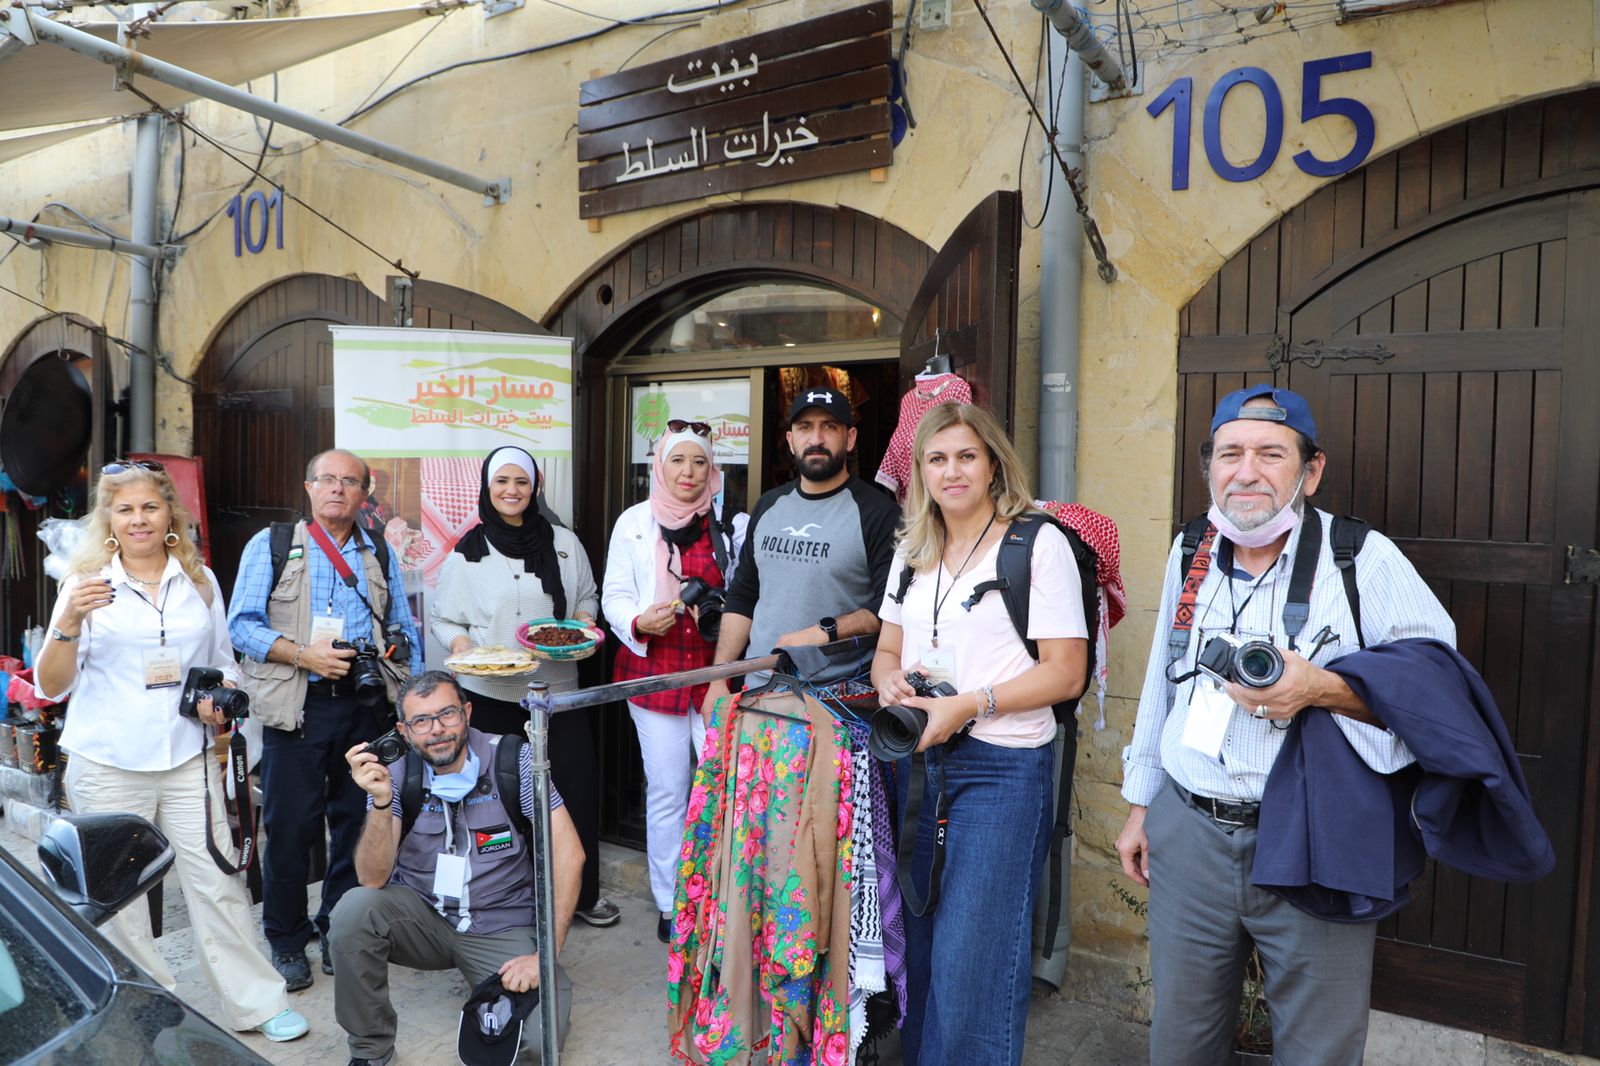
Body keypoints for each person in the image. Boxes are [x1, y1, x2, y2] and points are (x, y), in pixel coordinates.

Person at [1115, 384, 1456, 1066]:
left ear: (1311, 469)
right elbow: (1162, 680)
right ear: (1210, 466)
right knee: (1180, 1043)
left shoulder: (1361, 557)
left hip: (1316, 834)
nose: (1247, 472)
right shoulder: (1191, 549)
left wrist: (1319, 688)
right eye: (1230, 454)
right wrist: (1140, 805)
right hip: (1189, 830)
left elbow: (1436, 694)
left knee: (1318, 1050)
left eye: (1271, 454)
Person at [35, 459, 309, 1043]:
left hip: (188, 757)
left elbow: (224, 665)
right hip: (108, 761)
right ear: (109, 519)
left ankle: (256, 1003)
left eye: (150, 507)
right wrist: (70, 620)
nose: (139, 519)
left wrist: (218, 700)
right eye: (125, 509)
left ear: (169, 515)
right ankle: (145, 1008)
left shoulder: (199, 581)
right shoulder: (85, 584)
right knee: (120, 899)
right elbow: (51, 685)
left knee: (218, 879)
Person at [870, 402, 1088, 1064]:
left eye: (967, 456)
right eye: (937, 459)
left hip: (1002, 768)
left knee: (974, 964)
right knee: (922, 952)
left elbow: (1066, 672)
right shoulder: (912, 550)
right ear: (920, 472)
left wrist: (970, 704)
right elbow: (887, 651)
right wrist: (890, 682)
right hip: (920, 763)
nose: (952, 471)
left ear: (994, 463)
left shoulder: (1036, 543)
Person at [229, 448, 423, 992]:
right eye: (328, 479)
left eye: (350, 481)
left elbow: (403, 627)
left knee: (357, 821)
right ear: (309, 487)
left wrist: (408, 699)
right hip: (297, 704)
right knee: (290, 827)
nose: (338, 488)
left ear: (364, 494)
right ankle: (287, 939)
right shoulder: (271, 546)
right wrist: (302, 655)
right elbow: (241, 625)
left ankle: (339, 926)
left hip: (364, 704)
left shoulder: (377, 550)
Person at [332, 670, 582, 1066]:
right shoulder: (397, 771)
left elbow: (570, 854)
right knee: (353, 910)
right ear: (404, 730)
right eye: (421, 721)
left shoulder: (513, 759)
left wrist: (544, 955)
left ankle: (501, 993)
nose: (437, 730)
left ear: (467, 711)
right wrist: (380, 802)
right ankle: (370, 1051)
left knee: (537, 1041)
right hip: (423, 918)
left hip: (501, 924)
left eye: (447, 714)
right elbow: (372, 878)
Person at [430, 447, 615, 928]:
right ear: (487, 488)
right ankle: (510, 897)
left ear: (535, 488)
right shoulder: (467, 553)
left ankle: (581, 894)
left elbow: (586, 597)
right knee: (501, 800)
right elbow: (443, 618)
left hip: (557, 692)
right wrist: (464, 646)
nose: (512, 490)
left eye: (522, 482)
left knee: (573, 789)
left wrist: (584, 623)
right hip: (490, 695)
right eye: (502, 481)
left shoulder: (564, 543)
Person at [601, 423, 746, 944]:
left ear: (713, 470)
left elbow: (748, 594)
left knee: (724, 788)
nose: (689, 472)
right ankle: (671, 901)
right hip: (654, 671)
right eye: (678, 461)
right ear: (659, 467)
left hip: (716, 675)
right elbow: (614, 595)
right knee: (668, 791)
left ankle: (723, 895)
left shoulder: (732, 525)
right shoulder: (634, 522)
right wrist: (639, 621)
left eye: (699, 462)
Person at [701, 386, 899, 712]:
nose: (816, 438)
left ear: (850, 438)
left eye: (829, 427)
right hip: (758, 694)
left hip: (837, 702)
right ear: (791, 441)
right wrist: (718, 679)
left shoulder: (878, 514)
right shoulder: (769, 505)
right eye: (805, 427)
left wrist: (824, 632)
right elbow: (743, 596)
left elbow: (890, 609)